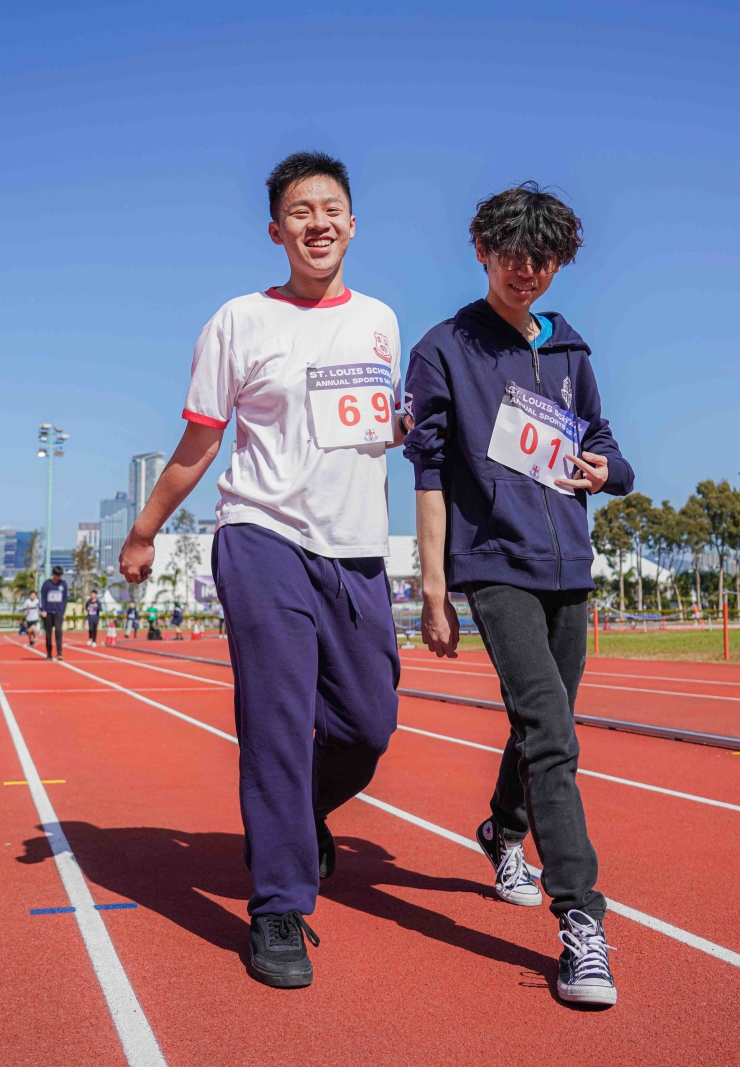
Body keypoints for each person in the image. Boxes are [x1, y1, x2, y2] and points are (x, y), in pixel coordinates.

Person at [116, 151, 403, 990]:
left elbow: (378, 435)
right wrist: (144, 531)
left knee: (368, 726)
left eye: (331, 209)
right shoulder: (239, 320)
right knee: (277, 722)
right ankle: (279, 903)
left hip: (356, 551)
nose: (318, 223)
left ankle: (299, 814)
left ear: (353, 224)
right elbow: (200, 442)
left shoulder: (381, 321)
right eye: (300, 212)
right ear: (277, 231)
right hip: (261, 536)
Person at [405, 182, 633, 1008]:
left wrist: (610, 471)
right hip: (495, 563)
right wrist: (436, 588)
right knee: (552, 736)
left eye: (542, 259)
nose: (525, 270)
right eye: (511, 254)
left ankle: (503, 830)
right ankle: (582, 924)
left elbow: (603, 442)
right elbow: (429, 471)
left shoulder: (570, 351)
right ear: (481, 251)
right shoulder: (444, 348)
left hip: (570, 564)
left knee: (545, 723)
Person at [39, 566, 70, 661]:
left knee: (58, 632)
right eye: (57, 575)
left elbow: (65, 599)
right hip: (48, 612)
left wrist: (63, 612)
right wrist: (43, 610)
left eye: (60, 575)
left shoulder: (63, 584)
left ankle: (59, 653)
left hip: (59, 612)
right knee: (48, 634)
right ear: (54, 575)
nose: (58, 577)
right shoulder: (47, 584)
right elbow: (42, 597)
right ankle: (49, 653)